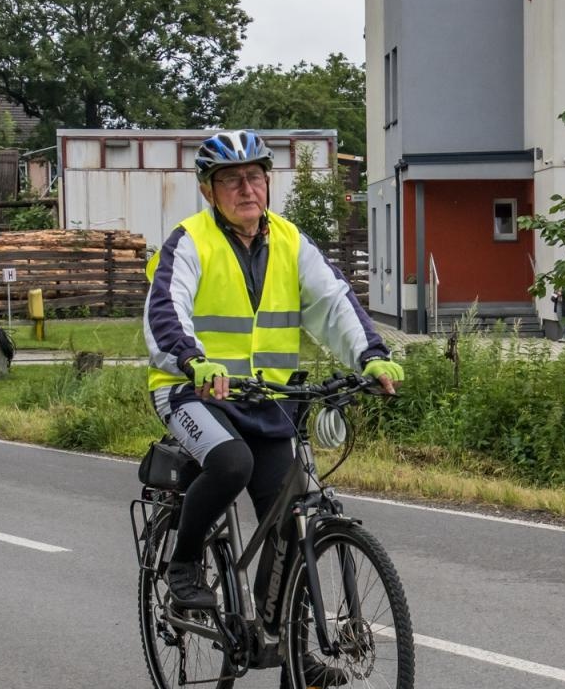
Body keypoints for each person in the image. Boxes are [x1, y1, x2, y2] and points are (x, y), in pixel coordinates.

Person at [144, 131, 403, 615]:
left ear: (268, 182)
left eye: (255, 177)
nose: (247, 189)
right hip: (192, 394)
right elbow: (165, 310)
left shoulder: (290, 241)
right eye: (232, 180)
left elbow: (334, 302)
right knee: (230, 464)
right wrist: (192, 359)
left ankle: (282, 635)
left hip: (267, 401)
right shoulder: (189, 242)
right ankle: (183, 563)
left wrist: (370, 354)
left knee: (288, 520)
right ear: (209, 190)